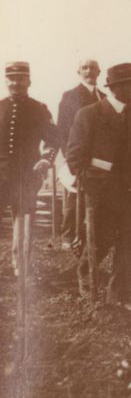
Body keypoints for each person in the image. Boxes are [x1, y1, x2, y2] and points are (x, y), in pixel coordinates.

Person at [66, 63, 131, 308]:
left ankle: (119, 295)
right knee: (98, 244)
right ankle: (88, 289)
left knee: (129, 244)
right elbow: (74, 159)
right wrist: (93, 184)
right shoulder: (90, 114)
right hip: (101, 196)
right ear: (118, 88)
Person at [0, 62, 59, 274]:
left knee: (23, 221)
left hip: (26, 175)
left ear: (29, 81)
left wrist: (45, 160)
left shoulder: (39, 109)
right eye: (12, 79)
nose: (16, 83)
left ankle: (21, 265)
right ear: (6, 81)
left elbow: (53, 139)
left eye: (21, 78)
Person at [57, 59, 103, 249]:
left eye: (92, 68)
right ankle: (68, 236)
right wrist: (71, 159)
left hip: (98, 157)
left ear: (98, 72)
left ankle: (90, 235)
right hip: (78, 156)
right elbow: (63, 130)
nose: (89, 71)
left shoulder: (103, 96)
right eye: (85, 68)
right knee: (74, 196)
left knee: (94, 196)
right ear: (78, 72)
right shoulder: (70, 96)